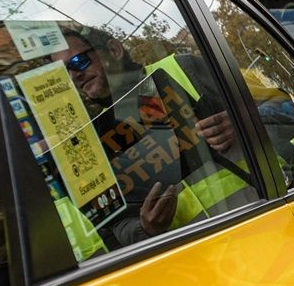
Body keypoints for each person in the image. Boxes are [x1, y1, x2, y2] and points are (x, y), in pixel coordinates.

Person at [51, 27, 251, 246]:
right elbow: (119, 226)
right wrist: (145, 228)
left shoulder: (183, 69)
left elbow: (282, 109)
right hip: (194, 259)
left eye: (79, 61)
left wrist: (244, 123)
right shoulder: (93, 140)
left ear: (114, 50)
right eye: (65, 73)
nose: (75, 75)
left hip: (261, 225)